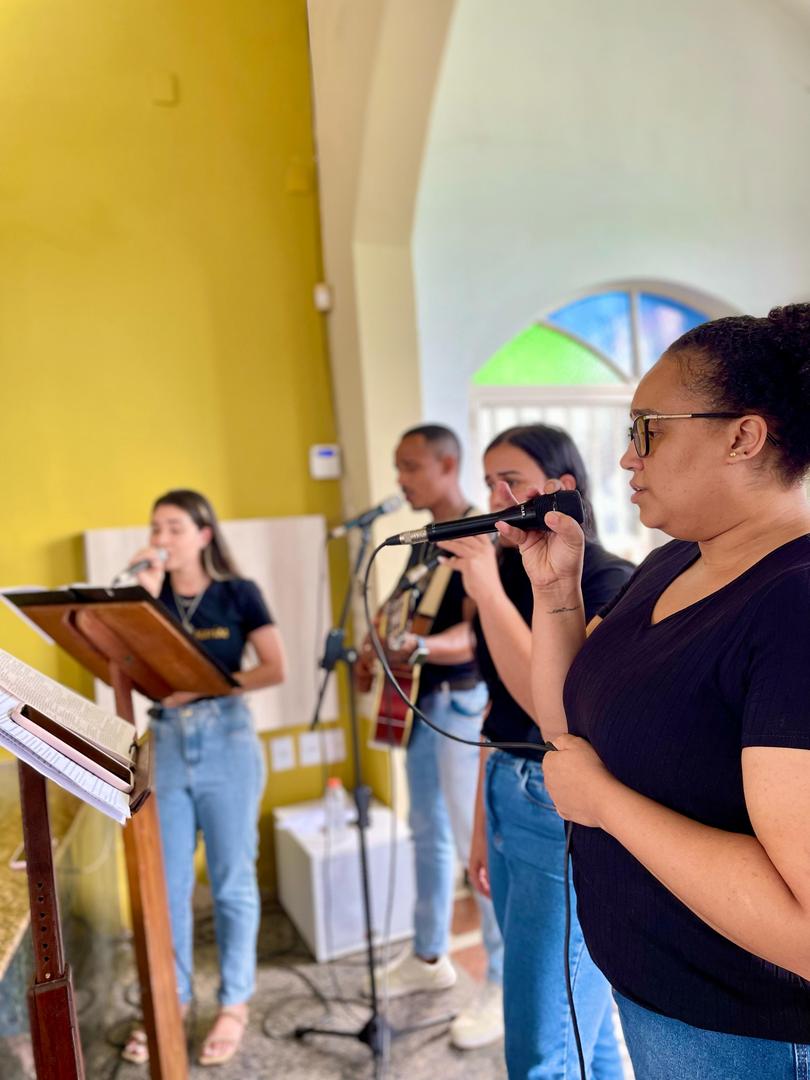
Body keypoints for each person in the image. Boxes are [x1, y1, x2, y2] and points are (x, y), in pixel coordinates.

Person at [500, 305, 810, 1080]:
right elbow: (569, 731)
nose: (625, 458)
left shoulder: (794, 603)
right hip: (652, 994)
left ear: (743, 436)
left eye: (648, 431)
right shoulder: (674, 562)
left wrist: (606, 805)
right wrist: (558, 593)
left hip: (744, 1034)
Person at [435, 424, 633, 1079]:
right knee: (585, 1032)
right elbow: (497, 707)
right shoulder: (507, 574)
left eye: (511, 481)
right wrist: (479, 825)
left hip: (557, 805)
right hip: (505, 786)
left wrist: (487, 590)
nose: (495, 497)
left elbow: (555, 713)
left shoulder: (606, 579)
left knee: (543, 1044)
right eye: (488, 482)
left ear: (560, 487)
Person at [121, 489, 286, 1068]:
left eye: (174, 527)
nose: (161, 538)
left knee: (231, 880)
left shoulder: (238, 593)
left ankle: (234, 1002)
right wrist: (141, 598)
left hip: (227, 740)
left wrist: (207, 687)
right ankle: (171, 999)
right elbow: (131, 668)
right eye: (155, 527)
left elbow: (274, 667)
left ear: (203, 535)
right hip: (165, 742)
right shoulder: (149, 596)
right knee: (166, 886)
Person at [356, 424, 505, 1050]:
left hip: (460, 706)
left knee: (477, 848)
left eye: (411, 466)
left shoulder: (477, 535)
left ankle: (500, 982)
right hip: (417, 704)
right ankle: (428, 955)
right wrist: (374, 645)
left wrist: (415, 647)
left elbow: (476, 632)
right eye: (398, 467)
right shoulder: (424, 540)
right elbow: (401, 613)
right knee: (426, 833)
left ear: (448, 465)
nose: (401, 479)